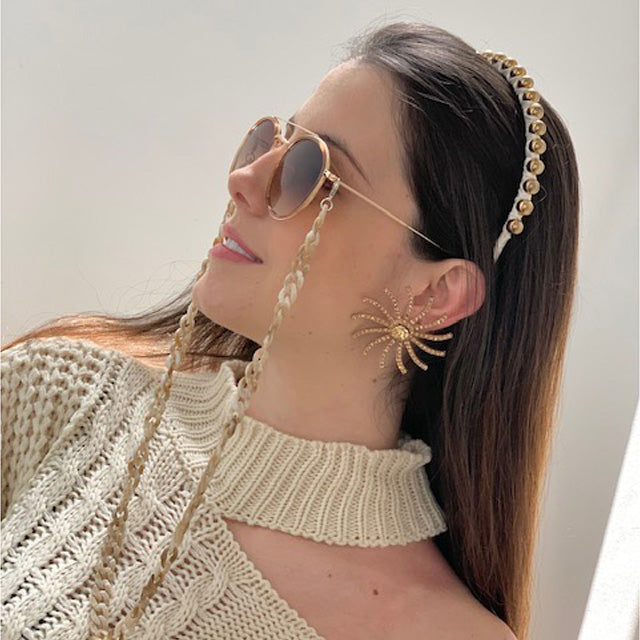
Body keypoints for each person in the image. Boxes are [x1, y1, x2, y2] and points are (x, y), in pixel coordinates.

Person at [0, 20, 579, 640]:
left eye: (312, 172)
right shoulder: (59, 397)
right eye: (269, 143)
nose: (244, 181)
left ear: (436, 294)